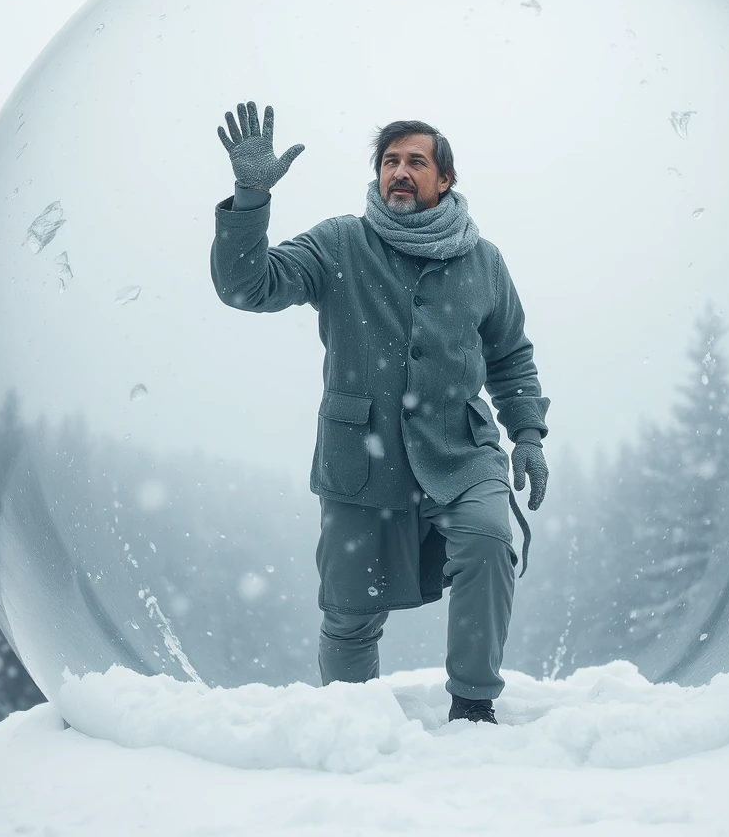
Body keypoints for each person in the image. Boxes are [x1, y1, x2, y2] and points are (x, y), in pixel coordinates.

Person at [210, 100, 550, 725]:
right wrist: (250, 198)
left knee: (487, 539)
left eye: (416, 162)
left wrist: (526, 433)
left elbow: (510, 354)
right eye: (390, 161)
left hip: (462, 452)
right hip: (361, 460)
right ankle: (350, 722)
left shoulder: (484, 262)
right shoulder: (341, 243)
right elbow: (247, 287)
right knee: (350, 612)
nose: (400, 170)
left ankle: (474, 707)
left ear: (444, 180)